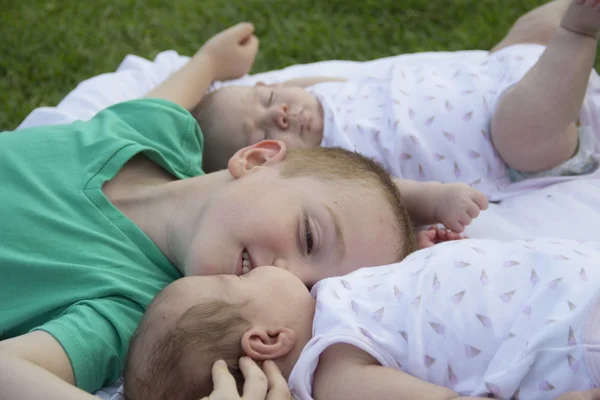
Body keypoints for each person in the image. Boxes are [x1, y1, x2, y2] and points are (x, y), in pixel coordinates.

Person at [0, 23, 419, 399]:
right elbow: (168, 97)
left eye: (310, 292)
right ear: (255, 160)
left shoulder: (133, 311)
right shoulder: (161, 136)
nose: (284, 278)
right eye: (308, 238)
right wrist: (211, 61)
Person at [193, 0, 600, 207]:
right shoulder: (328, 170)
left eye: (267, 97)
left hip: (499, 70)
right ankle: (580, 32)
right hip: (518, 143)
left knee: (529, 31)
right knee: (519, 134)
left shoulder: (316, 91)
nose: (278, 112)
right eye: (265, 131)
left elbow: (280, 89)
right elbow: (386, 203)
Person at [123, 237, 600, 400]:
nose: (255, 272)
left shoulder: (329, 302)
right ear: (266, 340)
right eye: (237, 284)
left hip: (561, 280)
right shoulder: (333, 370)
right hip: (566, 332)